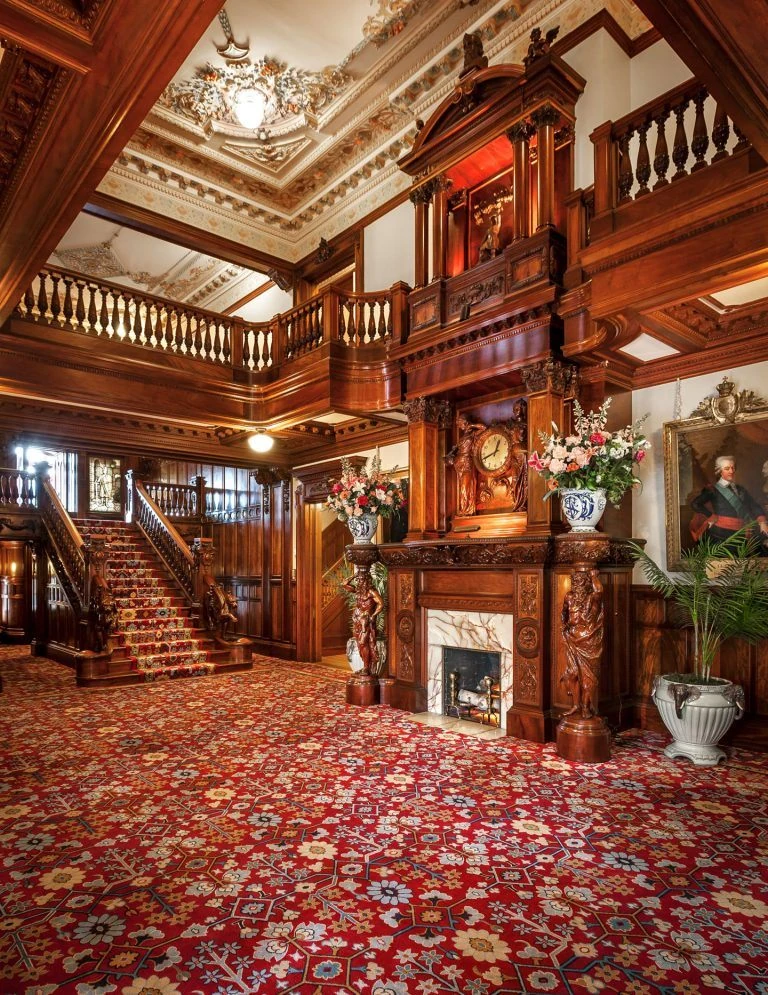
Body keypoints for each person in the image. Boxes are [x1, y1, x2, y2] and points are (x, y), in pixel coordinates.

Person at [690, 455, 768, 551]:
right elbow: (695, 504)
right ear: (720, 471)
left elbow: (753, 505)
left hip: (742, 532)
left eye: (732, 468)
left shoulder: (741, 489)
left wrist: (762, 522)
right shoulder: (712, 489)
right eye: (727, 469)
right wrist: (711, 516)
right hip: (721, 534)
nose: (731, 471)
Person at [560, 569, 603, 719]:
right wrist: (564, 624)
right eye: (575, 582)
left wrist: (594, 576)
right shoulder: (569, 597)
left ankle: (586, 707)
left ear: (586, 584)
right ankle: (576, 705)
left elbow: (599, 590)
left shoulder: (593, 598)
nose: (577, 585)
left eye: (580, 582)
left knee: (588, 679)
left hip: (589, 642)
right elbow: (564, 613)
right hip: (572, 638)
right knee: (572, 674)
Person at [342, 569, 383, 676]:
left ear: (367, 581)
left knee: (363, 642)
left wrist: (373, 615)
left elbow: (381, 604)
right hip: (357, 619)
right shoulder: (358, 591)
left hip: (366, 620)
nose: (360, 582)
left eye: (362, 580)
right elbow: (345, 584)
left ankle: (366, 667)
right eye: (359, 580)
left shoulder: (371, 592)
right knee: (360, 644)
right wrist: (355, 575)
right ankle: (366, 667)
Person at [445, 415, 485, 516]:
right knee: (461, 486)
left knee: (466, 485)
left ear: (465, 422)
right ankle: (464, 508)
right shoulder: (462, 438)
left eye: (460, 423)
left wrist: (472, 425)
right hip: (459, 463)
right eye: (458, 424)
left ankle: (467, 510)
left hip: (468, 461)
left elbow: (484, 428)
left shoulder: (473, 434)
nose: (459, 426)